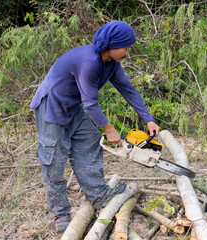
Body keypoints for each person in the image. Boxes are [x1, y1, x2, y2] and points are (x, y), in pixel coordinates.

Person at [30, 21, 160, 231]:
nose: (127, 52)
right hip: (52, 107)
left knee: (89, 141)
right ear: (111, 45)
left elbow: (128, 89)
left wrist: (148, 119)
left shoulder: (111, 64)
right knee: (54, 160)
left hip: (72, 107)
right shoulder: (89, 61)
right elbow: (90, 103)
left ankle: (99, 196)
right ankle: (60, 215)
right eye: (125, 48)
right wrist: (109, 128)